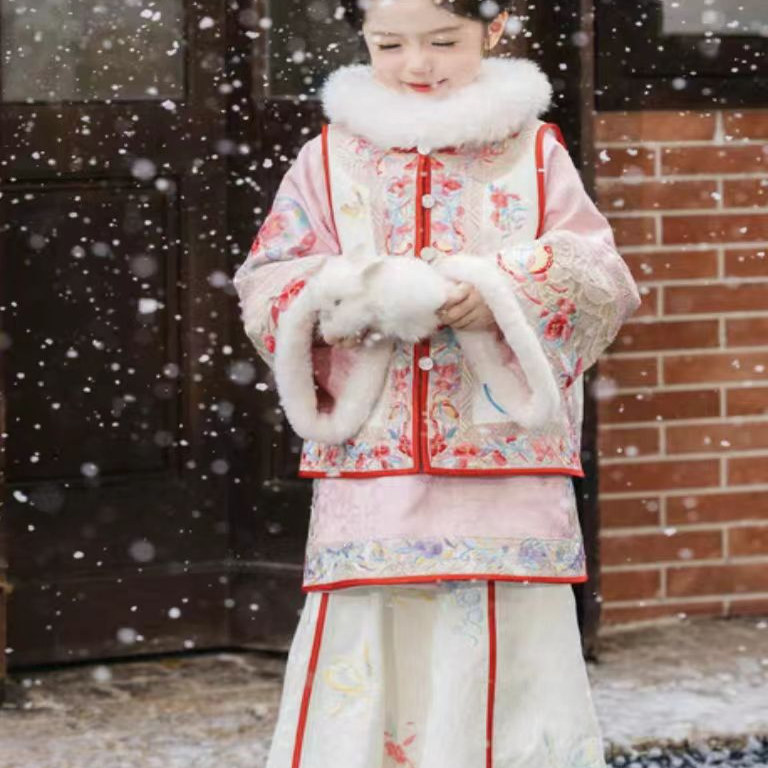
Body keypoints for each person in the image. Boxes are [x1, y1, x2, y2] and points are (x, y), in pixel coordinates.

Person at [233, 1, 641, 765]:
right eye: (390, 44)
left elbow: (603, 280)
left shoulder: (535, 151)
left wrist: (502, 289)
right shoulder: (327, 160)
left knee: (505, 640)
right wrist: (342, 297)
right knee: (368, 638)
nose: (417, 65)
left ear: (495, 29)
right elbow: (267, 283)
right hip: (373, 457)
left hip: (502, 457)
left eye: (443, 42)